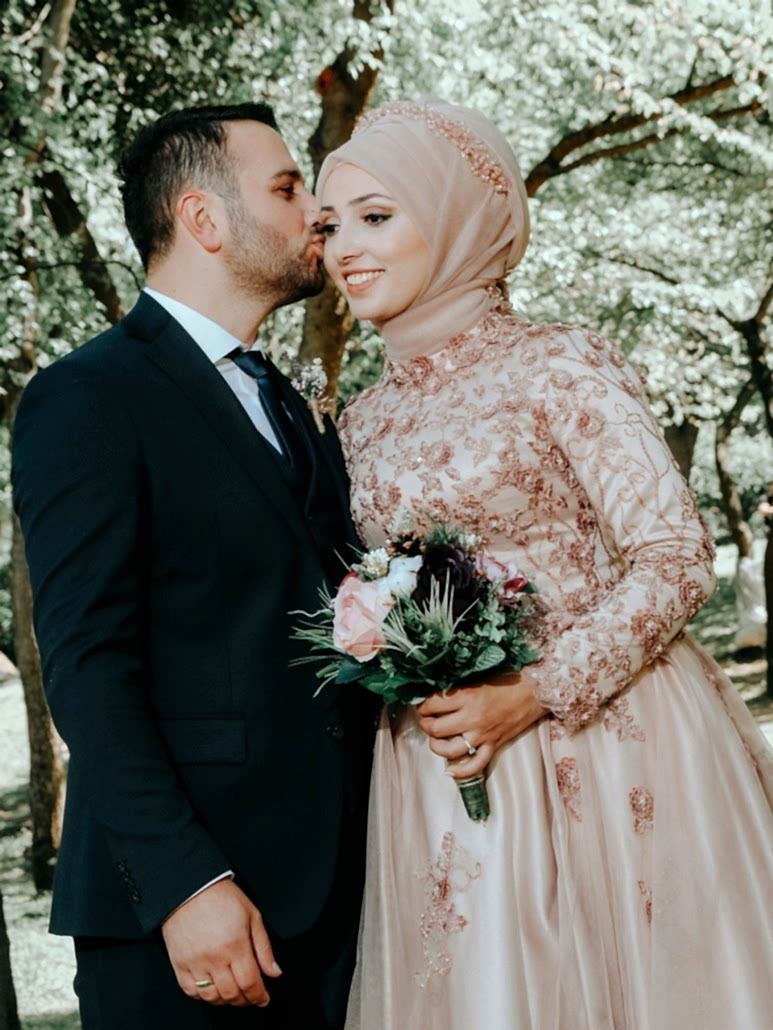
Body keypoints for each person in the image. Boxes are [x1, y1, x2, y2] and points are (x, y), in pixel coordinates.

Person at [316, 99, 773, 1029]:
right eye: (329, 225)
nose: (343, 248)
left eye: (375, 216)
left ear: (453, 217)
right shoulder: (358, 420)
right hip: (442, 771)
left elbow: (675, 556)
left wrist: (535, 691)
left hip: (606, 737)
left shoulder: (557, 365)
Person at [12, 103, 371, 1030]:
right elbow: (86, 663)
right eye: (287, 189)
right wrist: (184, 884)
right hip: (190, 919)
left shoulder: (285, 399)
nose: (317, 213)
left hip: (335, 897)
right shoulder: (87, 397)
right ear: (203, 219)